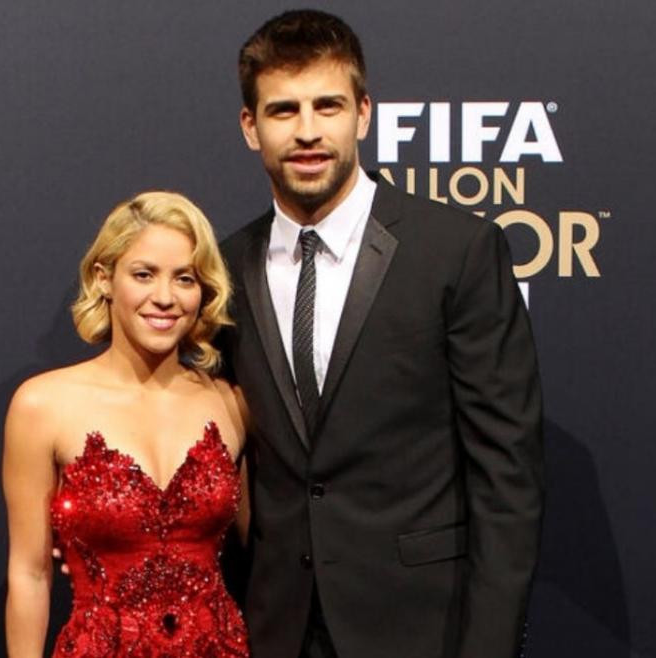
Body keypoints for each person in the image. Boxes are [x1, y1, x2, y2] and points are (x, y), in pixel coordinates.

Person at [218, 10, 544, 658]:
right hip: (272, 629)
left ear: (364, 113)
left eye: (328, 106)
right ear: (250, 127)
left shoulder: (456, 250)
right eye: (283, 111)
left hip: (422, 629)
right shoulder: (223, 269)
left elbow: (508, 478)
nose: (308, 132)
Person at [2, 191, 251, 657]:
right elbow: (30, 573)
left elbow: (265, 550)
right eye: (144, 275)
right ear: (104, 278)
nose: (165, 297)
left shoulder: (230, 403)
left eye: (185, 279)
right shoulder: (43, 405)